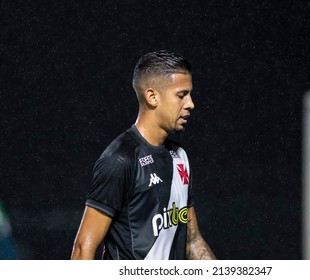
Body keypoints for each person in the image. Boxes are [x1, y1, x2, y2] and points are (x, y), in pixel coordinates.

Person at [71, 50, 216, 260]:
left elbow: (192, 242)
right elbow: (83, 249)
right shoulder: (120, 160)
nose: (190, 103)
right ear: (152, 96)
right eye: (181, 95)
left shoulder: (180, 157)